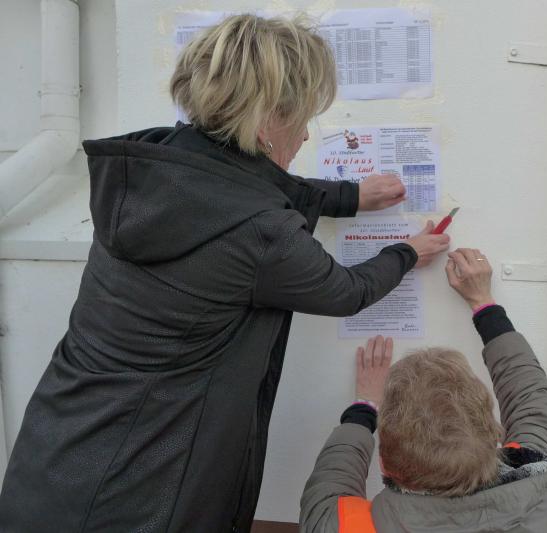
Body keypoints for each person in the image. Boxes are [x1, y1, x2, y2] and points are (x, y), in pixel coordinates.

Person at [0, 14, 449, 532]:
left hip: (56, 451)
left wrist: (346, 196)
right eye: (303, 118)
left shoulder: (152, 163)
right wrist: (407, 251)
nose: (307, 133)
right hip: (140, 488)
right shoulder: (260, 232)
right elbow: (345, 290)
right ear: (266, 122)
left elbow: (240, 185)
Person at [301, 249, 547, 532]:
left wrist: (364, 407)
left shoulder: (342, 525)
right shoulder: (544, 483)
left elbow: (330, 480)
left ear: (383, 464)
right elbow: (531, 398)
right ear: (495, 438)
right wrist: (483, 303)